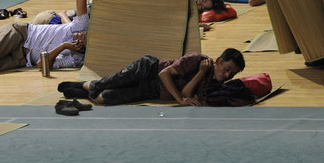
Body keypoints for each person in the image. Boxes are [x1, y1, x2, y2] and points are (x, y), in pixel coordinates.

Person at [57, 48, 245, 106]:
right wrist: (180, 99)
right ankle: (84, 85)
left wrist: (201, 74)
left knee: (107, 98)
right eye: (226, 69)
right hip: (150, 69)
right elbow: (165, 74)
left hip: (154, 90)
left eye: (232, 74)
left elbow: (187, 92)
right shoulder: (198, 59)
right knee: (110, 82)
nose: (227, 75)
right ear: (219, 61)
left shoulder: (212, 84)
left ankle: (83, 92)